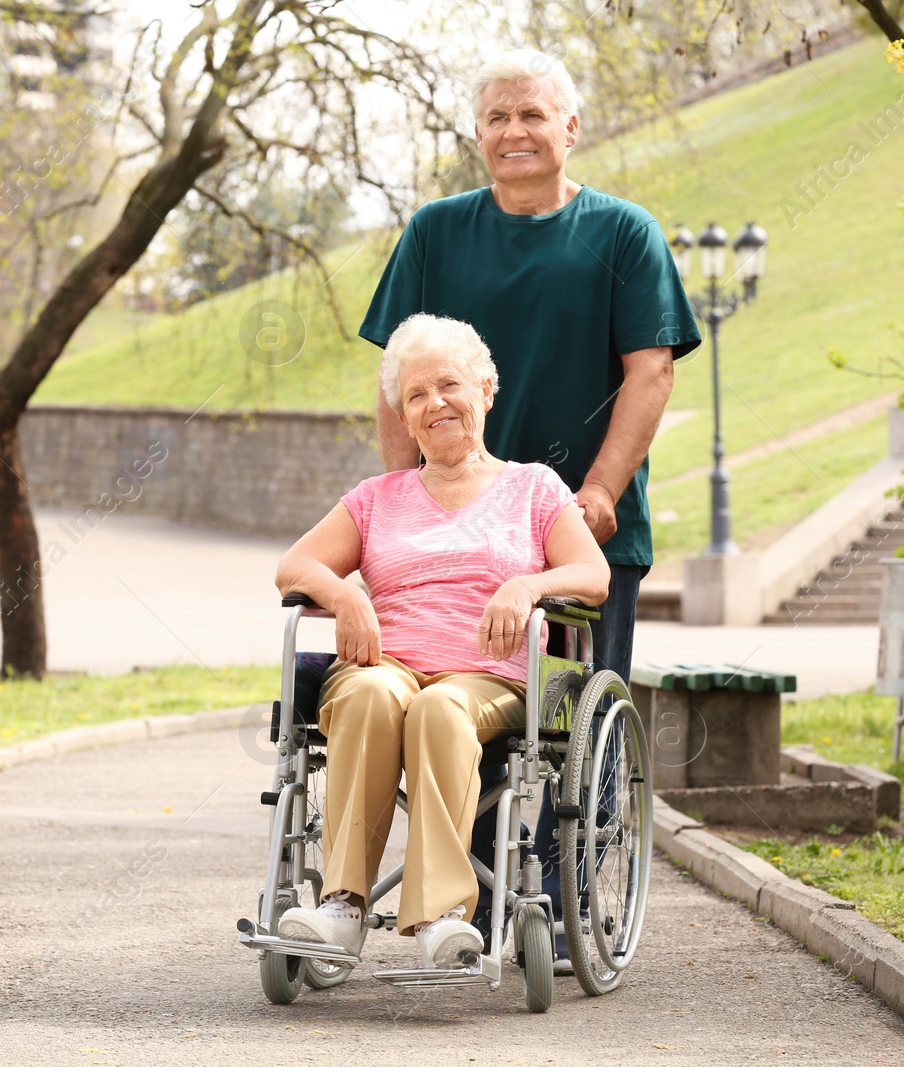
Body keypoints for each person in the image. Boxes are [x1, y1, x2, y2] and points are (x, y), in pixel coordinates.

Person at [359, 48, 702, 956]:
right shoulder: (436, 233)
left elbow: (651, 370)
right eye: (499, 118)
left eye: (534, 116)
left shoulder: (623, 233)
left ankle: (552, 903)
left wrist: (599, 490)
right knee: (445, 704)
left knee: (562, 737)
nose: (516, 132)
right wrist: (402, 502)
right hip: (448, 545)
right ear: (479, 134)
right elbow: (396, 381)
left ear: (570, 129)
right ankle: (460, 909)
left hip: (576, 537)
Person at [273, 313, 610, 969]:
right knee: (369, 693)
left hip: (486, 677)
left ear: (486, 388)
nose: (434, 404)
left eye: (448, 385)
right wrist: (344, 596)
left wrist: (526, 587)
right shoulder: (377, 499)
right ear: (404, 417)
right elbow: (294, 565)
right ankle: (342, 907)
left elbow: (592, 575)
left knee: (440, 707)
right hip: (386, 663)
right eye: (416, 396)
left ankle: (442, 916)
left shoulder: (533, 487)